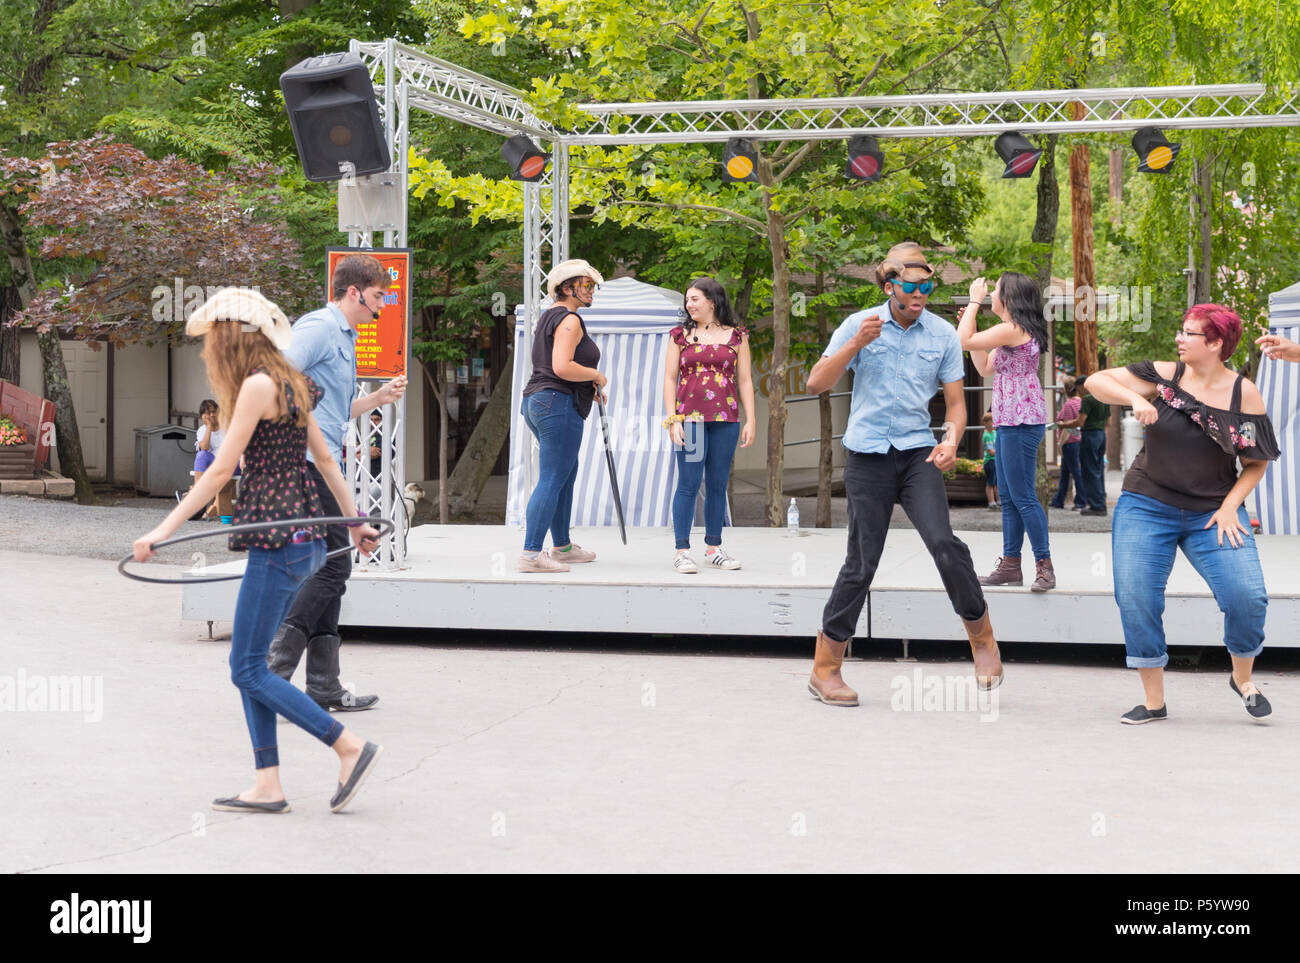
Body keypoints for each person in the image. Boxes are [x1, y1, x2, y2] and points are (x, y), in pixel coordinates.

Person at [133, 288, 384, 813]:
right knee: (250, 663)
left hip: (278, 539)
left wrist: (164, 530)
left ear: (231, 338)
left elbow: (221, 469)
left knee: (247, 667)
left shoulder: (255, 386)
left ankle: (346, 745)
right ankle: (267, 782)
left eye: (214, 339)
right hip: (304, 539)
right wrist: (355, 522)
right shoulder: (295, 383)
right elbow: (329, 463)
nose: (209, 350)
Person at [804, 242, 1003, 706]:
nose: (921, 293)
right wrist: (855, 344)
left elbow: (956, 406)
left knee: (944, 543)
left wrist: (952, 440)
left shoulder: (940, 335)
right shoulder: (860, 324)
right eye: (912, 286)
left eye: (927, 285)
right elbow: (816, 383)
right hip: (868, 455)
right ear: (890, 286)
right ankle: (825, 667)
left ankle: (982, 639)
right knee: (861, 563)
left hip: (917, 454)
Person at [1083, 304, 1279, 724]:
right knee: (1136, 596)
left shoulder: (1243, 394)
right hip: (1146, 503)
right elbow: (1097, 381)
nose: (1180, 338)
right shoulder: (1166, 375)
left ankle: (1242, 678)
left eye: (1189, 333)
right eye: (1182, 329)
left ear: (1215, 344)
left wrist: (1231, 507)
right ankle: (1154, 701)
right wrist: (1136, 396)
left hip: (1213, 510)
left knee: (1247, 596)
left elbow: (1256, 462)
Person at [267, 253, 407, 712]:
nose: (381, 306)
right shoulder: (321, 327)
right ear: (353, 292)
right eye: (377, 296)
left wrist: (377, 398)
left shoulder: (344, 335)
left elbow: (333, 412)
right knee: (333, 567)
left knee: (334, 565)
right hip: (303, 461)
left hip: (321, 460)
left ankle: (324, 687)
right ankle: (271, 675)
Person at [958, 273, 1055, 592]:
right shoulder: (1014, 332)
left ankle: (1044, 566)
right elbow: (984, 366)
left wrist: (973, 301)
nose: (990, 295)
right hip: (1011, 420)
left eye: (995, 291)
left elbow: (963, 341)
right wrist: (970, 323)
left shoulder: (1012, 329)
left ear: (1009, 298)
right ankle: (1011, 565)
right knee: (1011, 497)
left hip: (1019, 421)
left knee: (1023, 496)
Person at [517, 258, 607, 573]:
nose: (591, 290)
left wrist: (586, 383)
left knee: (564, 474)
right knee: (554, 477)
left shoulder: (550, 317)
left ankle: (563, 547)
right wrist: (596, 375)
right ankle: (530, 555)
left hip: (541, 402)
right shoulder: (569, 320)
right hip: (556, 402)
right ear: (567, 288)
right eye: (586, 285)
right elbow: (562, 367)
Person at [663, 277, 756, 573]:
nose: (689, 304)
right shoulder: (679, 336)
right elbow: (669, 379)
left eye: (695, 299)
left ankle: (714, 547)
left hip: (725, 421)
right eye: (687, 300)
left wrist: (750, 419)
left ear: (713, 301)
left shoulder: (737, 336)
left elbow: (744, 380)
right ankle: (681, 551)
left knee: (717, 485)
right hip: (691, 422)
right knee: (689, 484)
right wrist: (672, 419)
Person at [1049, 376, 1087, 511]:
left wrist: (1060, 444)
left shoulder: (1068, 405)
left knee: (1076, 472)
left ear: (1065, 390)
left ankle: (1081, 501)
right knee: (1065, 473)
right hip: (1079, 441)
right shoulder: (1081, 402)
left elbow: (1067, 427)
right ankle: (1058, 500)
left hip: (1069, 443)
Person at [1076, 377, 1110, 516]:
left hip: (1090, 435)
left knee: (1090, 470)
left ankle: (1096, 505)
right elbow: (1110, 422)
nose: (1078, 391)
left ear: (1083, 386)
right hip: (1101, 434)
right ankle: (1101, 501)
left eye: (1078, 388)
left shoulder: (1088, 399)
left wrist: (1063, 424)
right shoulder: (1103, 397)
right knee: (1098, 469)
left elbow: (1081, 421)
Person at [981, 413, 999, 510]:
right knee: (990, 482)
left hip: (996, 460)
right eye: (991, 421)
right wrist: (1000, 451)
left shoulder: (995, 433)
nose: (993, 423)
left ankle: (999, 501)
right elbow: (991, 451)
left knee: (997, 482)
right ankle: (991, 502)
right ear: (985, 423)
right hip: (990, 461)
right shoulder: (987, 435)